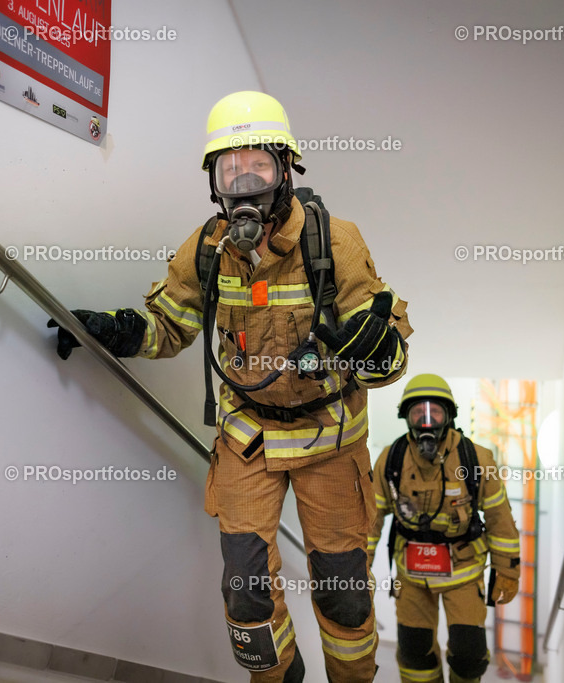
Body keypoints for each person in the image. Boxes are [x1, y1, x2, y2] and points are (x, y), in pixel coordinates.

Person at [49, 91, 413, 682]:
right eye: (230, 169)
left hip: (331, 440)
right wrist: (110, 332)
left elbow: (387, 355)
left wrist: (376, 349)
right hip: (249, 440)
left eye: (258, 166)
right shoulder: (207, 249)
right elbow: (170, 325)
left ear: (286, 168)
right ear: (214, 182)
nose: (245, 183)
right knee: (245, 590)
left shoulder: (335, 243)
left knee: (343, 590)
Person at [368, 374, 521, 683]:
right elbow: (369, 519)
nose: (426, 420)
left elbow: (500, 520)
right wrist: (360, 567)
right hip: (411, 575)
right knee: (414, 650)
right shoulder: (390, 459)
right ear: (406, 417)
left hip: (463, 573)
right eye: (417, 413)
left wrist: (508, 571)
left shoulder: (476, 460)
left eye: (435, 412)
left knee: (468, 654)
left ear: (449, 416)